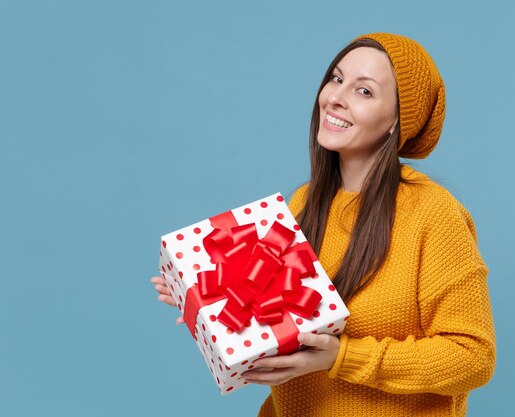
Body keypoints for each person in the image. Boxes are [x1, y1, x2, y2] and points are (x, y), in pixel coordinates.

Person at [150, 32, 496, 417]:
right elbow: (280, 313)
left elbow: (473, 357)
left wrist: (342, 357)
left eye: (364, 91)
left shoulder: (433, 214)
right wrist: (205, 300)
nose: (336, 96)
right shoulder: (305, 200)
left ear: (398, 119)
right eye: (336, 78)